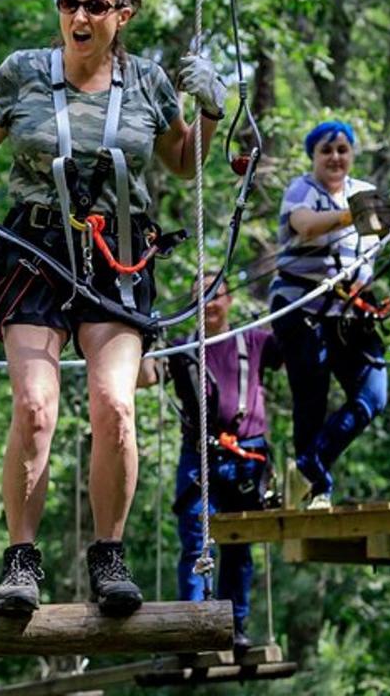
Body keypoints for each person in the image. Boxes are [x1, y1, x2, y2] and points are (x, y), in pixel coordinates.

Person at [0, 0, 227, 616]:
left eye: (95, 6)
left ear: (122, 15)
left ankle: (109, 555)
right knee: (36, 409)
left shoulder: (149, 82)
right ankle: (21, 561)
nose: (78, 16)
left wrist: (210, 110)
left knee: (114, 405)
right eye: (69, 3)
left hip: (118, 253)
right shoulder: (23, 75)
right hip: (34, 249)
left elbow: (184, 163)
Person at [141, 279, 281, 653]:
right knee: (196, 544)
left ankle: (233, 628)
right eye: (198, 298)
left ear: (229, 300)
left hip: (246, 460)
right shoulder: (182, 349)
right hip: (199, 458)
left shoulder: (254, 341)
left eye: (214, 296)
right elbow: (144, 378)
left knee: (239, 548)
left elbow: (293, 354)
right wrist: (144, 337)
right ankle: (195, 626)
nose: (207, 304)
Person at [268, 121, 388, 510]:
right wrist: (350, 216)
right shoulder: (303, 189)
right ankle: (319, 488)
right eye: (326, 150)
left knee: (373, 394)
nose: (335, 157)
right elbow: (304, 226)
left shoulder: (364, 192)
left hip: (350, 313)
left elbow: (379, 240)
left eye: (342, 150)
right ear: (314, 157)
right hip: (301, 309)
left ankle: (307, 467)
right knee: (311, 398)